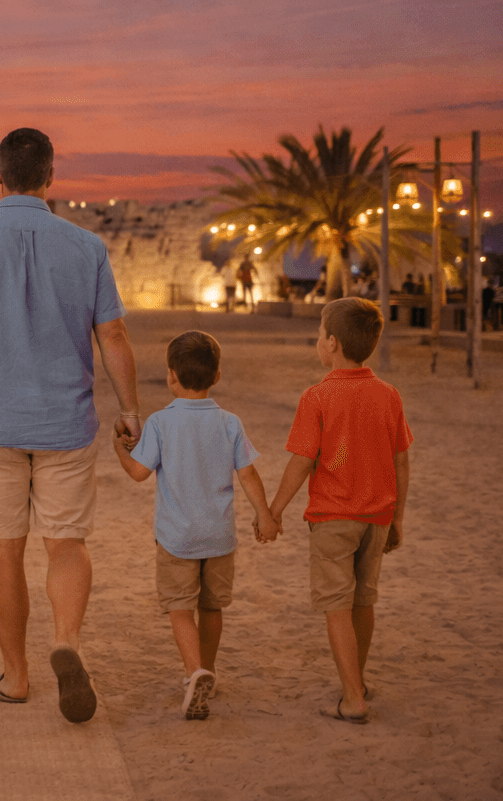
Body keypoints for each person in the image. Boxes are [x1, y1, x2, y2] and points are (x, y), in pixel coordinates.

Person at [0, 127, 140, 724]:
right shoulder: (87, 247)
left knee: (4, 550)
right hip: (65, 422)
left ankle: (16, 677)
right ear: (50, 178)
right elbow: (113, 334)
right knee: (66, 543)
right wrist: (129, 408)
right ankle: (65, 641)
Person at [111, 331, 277, 720]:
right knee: (212, 606)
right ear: (216, 375)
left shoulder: (160, 423)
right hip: (219, 537)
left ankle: (193, 671)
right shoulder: (230, 422)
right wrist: (264, 514)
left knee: (180, 608)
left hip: (176, 539)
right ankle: (210, 670)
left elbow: (138, 473)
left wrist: (120, 449)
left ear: (171, 376)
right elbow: (249, 475)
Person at [268, 298, 412, 724]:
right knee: (363, 601)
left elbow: (302, 460)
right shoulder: (388, 395)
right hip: (378, 516)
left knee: (336, 604)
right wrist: (398, 517)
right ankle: (359, 679)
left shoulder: (318, 396)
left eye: (318, 335)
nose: (317, 341)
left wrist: (274, 510)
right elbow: (401, 459)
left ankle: (352, 696)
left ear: (331, 343)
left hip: (333, 518)